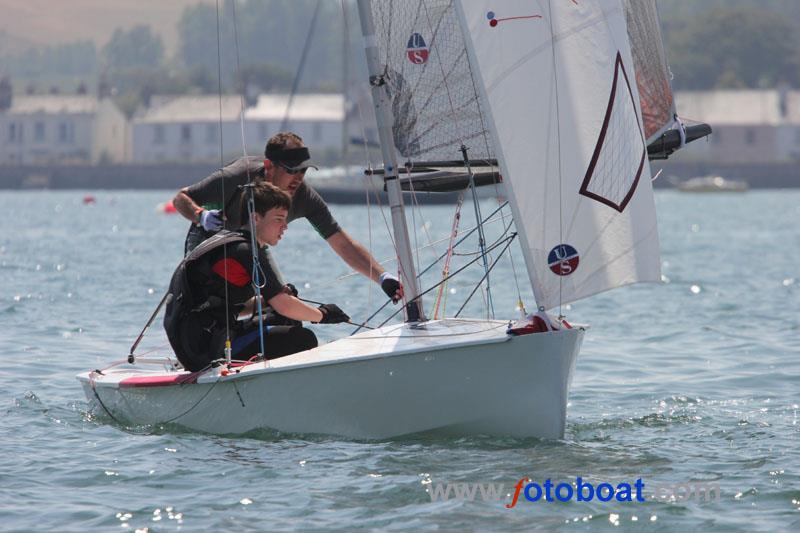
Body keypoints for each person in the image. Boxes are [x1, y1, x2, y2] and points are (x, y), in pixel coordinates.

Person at [172, 131, 402, 303]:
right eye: (291, 170)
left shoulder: (304, 197)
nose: (298, 178)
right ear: (269, 166)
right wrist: (200, 215)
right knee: (211, 302)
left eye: (303, 170)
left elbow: (342, 243)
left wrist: (383, 277)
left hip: (251, 247)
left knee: (281, 301)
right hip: (208, 241)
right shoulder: (237, 176)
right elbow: (180, 198)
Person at [163, 181, 351, 372]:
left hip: (201, 340)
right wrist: (323, 315)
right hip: (205, 348)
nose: (285, 226)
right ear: (255, 218)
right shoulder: (243, 250)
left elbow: (230, 306)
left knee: (283, 317)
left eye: (285, 219)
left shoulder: (236, 243)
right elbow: (284, 304)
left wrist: (265, 302)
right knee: (303, 338)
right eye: (278, 219)